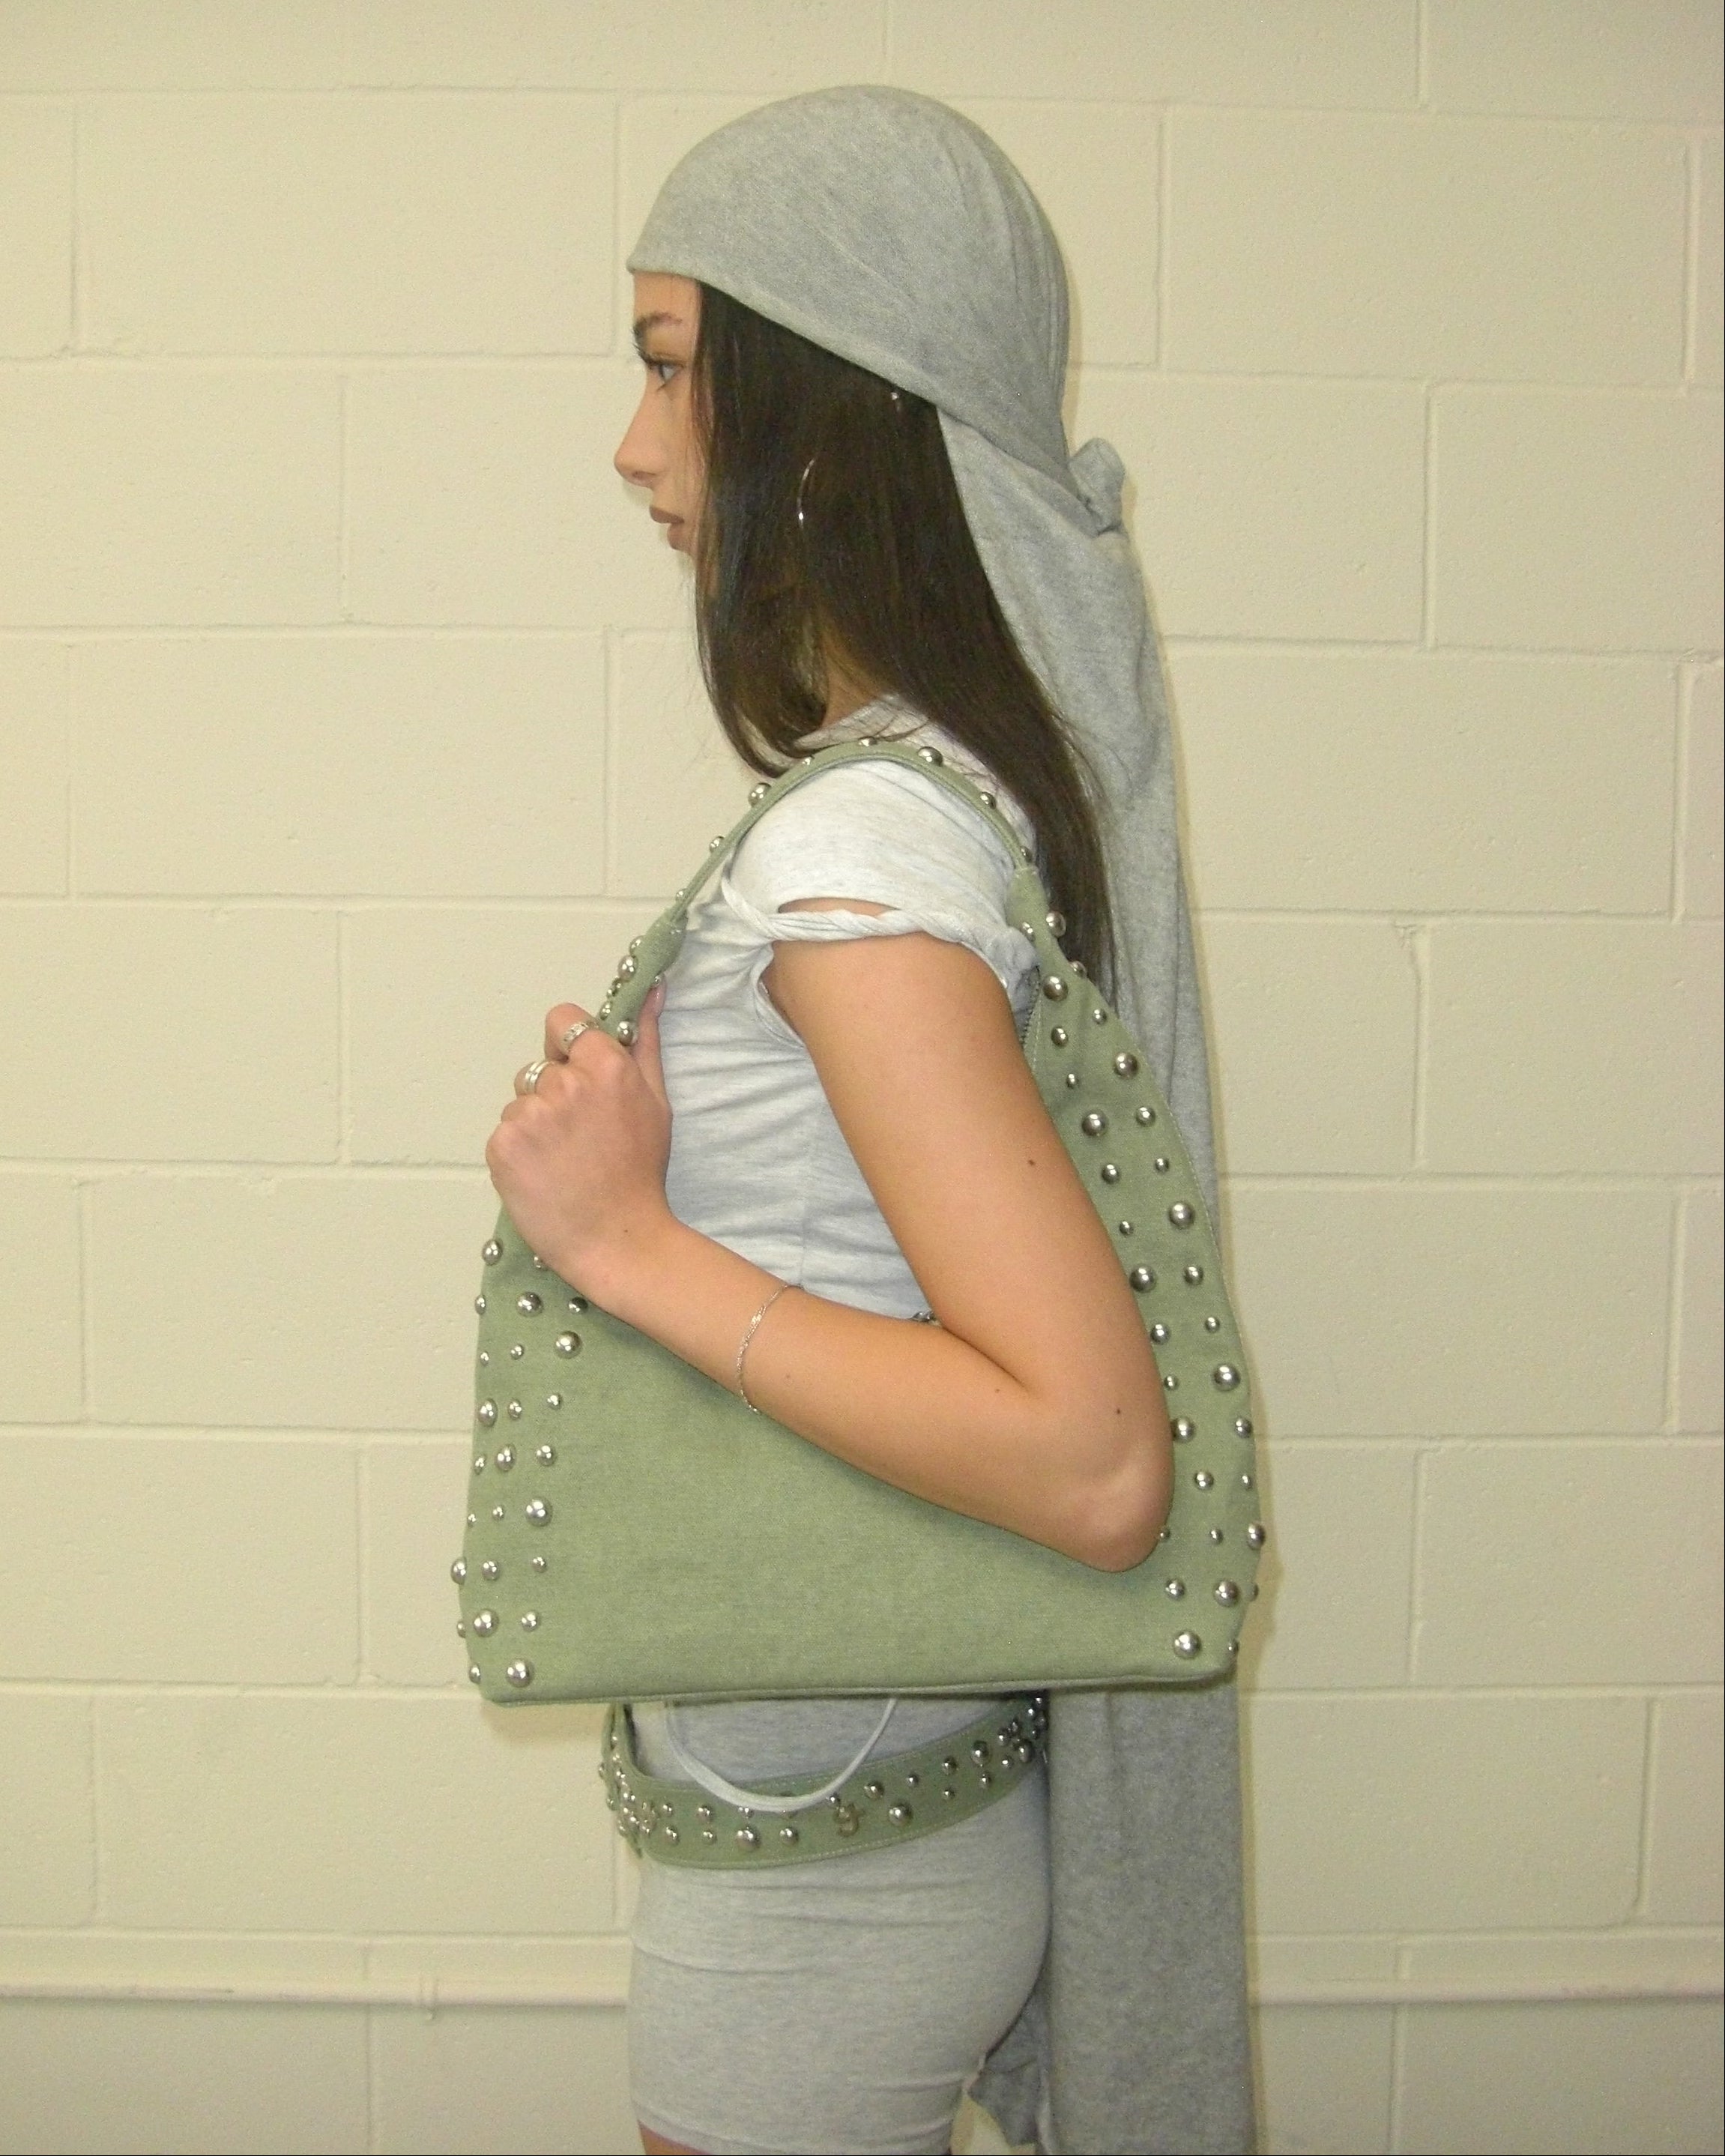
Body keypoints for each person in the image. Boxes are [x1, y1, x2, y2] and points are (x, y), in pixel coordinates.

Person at [486, 89, 1254, 2156]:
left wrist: (626, 1244)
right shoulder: (927, 800)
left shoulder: (856, 861)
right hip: (859, 1819)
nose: (635, 445)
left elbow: (1094, 1463)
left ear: (830, 413)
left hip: (824, 1882)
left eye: (670, 366)